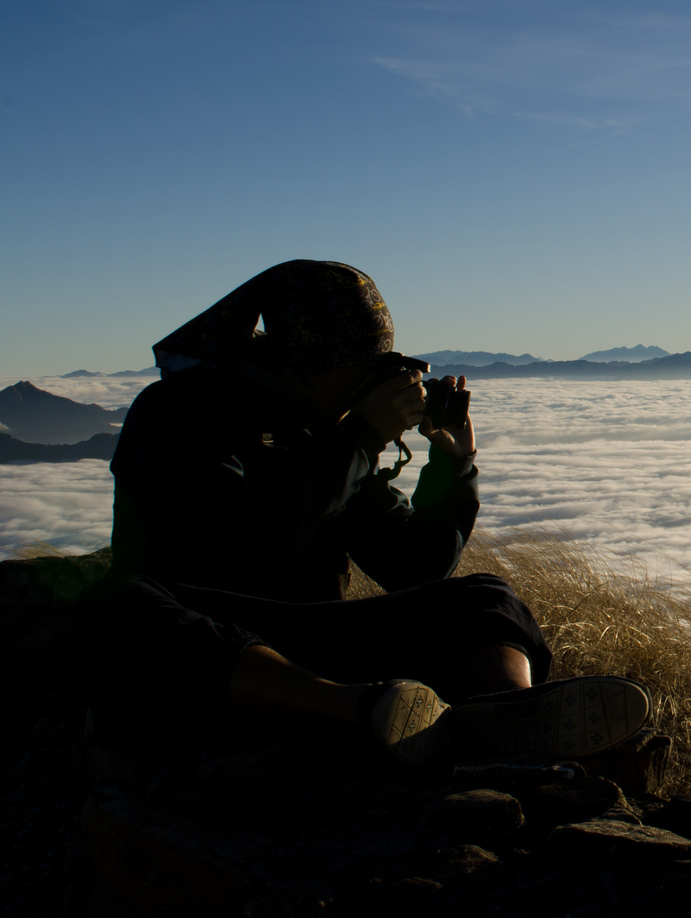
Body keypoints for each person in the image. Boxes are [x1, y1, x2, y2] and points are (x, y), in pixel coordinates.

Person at [84, 260, 648, 765]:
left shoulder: (327, 433)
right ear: (302, 360)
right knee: (123, 610)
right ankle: (357, 710)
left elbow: (417, 567)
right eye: (356, 365)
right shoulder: (178, 412)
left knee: (486, 599)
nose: (367, 381)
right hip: (212, 640)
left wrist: (452, 470)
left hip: (315, 638)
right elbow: (239, 545)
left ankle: (511, 720)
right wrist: (358, 438)